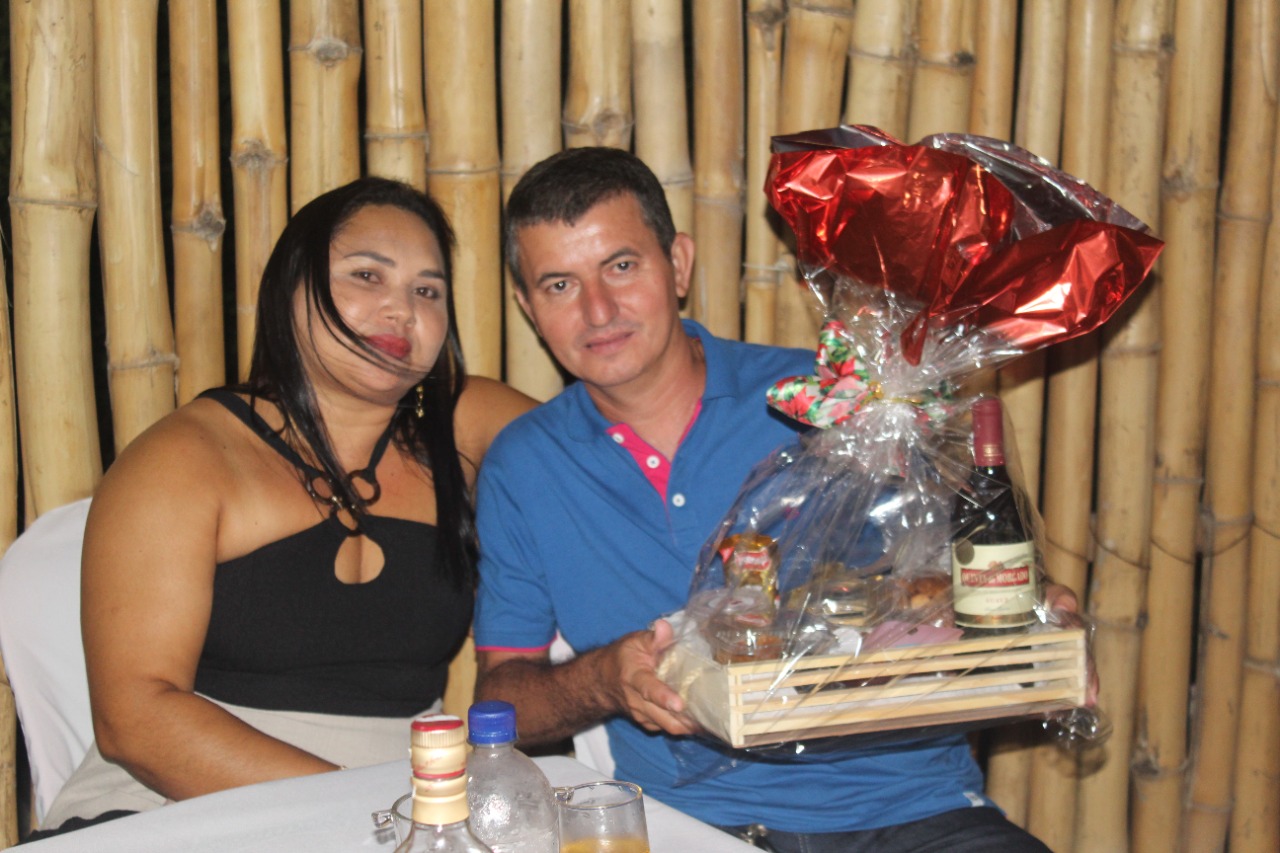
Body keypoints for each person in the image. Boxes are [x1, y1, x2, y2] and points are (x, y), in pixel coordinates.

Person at [472, 147, 1061, 852]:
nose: (598, 310)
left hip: (910, 811)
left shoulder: (841, 403)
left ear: (678, 264)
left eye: (622, 266)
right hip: (691, 826)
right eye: (559, 285)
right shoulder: (526, 465)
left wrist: (1033, 609)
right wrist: (605, 679)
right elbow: (501, 700)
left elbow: (960, 571)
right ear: (527, 307)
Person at [38, 177, 536, 834]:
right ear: (290, 289)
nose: (401, 309)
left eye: (427, 291)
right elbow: (135, 719)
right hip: (174, 807)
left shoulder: (462, 427)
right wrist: (364, 812)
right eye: (367, 276)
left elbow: (607, 451)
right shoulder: (186, 458)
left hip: (404, 811)